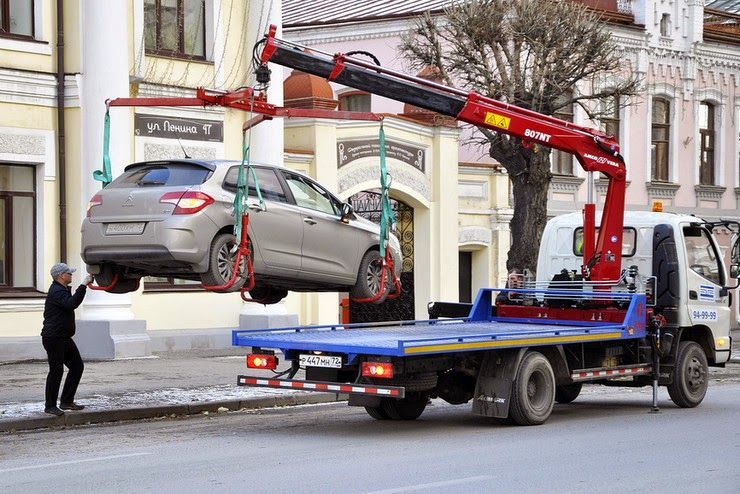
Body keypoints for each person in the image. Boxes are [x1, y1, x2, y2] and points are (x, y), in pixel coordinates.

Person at [41, 262, 93, 416]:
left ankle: (66, 401)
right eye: (69, 273)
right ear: (61, 276)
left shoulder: (62, 289)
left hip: (63, 337)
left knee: (77, 366)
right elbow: (71, 304)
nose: (71, 275)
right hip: (54, 337)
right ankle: (50, 406)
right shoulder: (57, 291)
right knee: (56, 371)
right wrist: (83, 285)